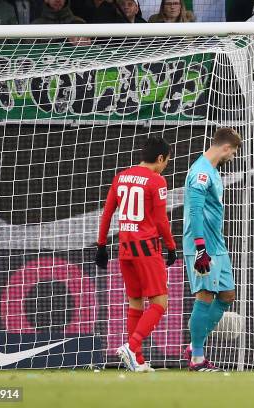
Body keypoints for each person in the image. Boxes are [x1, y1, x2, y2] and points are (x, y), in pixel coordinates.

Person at [95, 136, 178, 372]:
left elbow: (107, 213)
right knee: (160, 302)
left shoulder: (120, 177)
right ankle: (132, 346)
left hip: (124, 249)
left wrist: (101, 245)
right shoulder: (157, 181)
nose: (165, 166)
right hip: (147, 248)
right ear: (160, 158)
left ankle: (137, 361)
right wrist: (171, 246)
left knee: (135, 302)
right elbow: (161, 220)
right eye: (166, 161)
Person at [182, 128, 241, 372]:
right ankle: (197, 358)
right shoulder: (201, 173)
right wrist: (199, 248)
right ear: (226, 148)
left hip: (217, 244)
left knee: (227, 295)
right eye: (234, 152)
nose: (233, 157)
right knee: (205, 295)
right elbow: (194, 212)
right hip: (202, 245)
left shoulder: (213, 172)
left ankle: (195, 345)